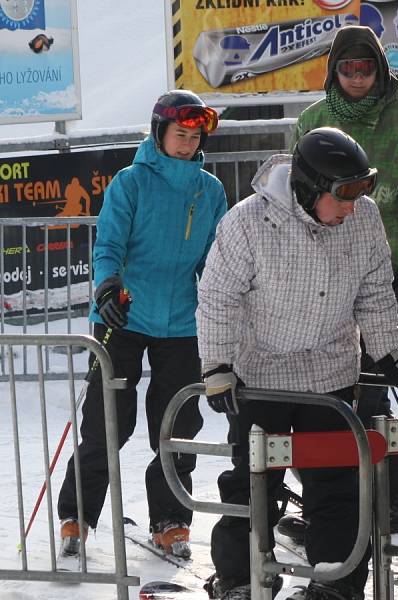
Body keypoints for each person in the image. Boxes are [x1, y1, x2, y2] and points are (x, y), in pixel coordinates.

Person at [197, 127, 398, 600]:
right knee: (253, 486)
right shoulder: (249, 222)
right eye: (343, 194)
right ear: (308, 185)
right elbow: (219, 296)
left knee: (338, 486)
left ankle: (336, 584)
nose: (352, 205)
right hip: (263, 375)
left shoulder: (362, 218)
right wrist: (216, 367)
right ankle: (241, 578)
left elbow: (374, 290)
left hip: (330, 375)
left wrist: (387, 354)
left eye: (361, 190)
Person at [286, 24, 398, 537]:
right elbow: (293, 202)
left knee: (374, 393)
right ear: (333, 71)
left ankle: (392, 502)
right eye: (347, 69)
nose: (356, 78)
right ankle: (334, 505)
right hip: (321, 282)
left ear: (380, 69)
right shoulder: (312, 121)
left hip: (387, 279)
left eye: (366, 68)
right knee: (327, 398)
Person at [57, 90, 227, 560]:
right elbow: (108, 244)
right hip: (124, 315)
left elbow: (216, 263)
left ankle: (171, 518)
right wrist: (108, 287)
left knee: (177, 424)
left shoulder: (209, 190)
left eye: (195, 138)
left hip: (181, 323)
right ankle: (78, 514)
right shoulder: (130, 183)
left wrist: (224, 308)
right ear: (159, 132)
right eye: (180, 135)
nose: (188, 144)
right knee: (108, 423)